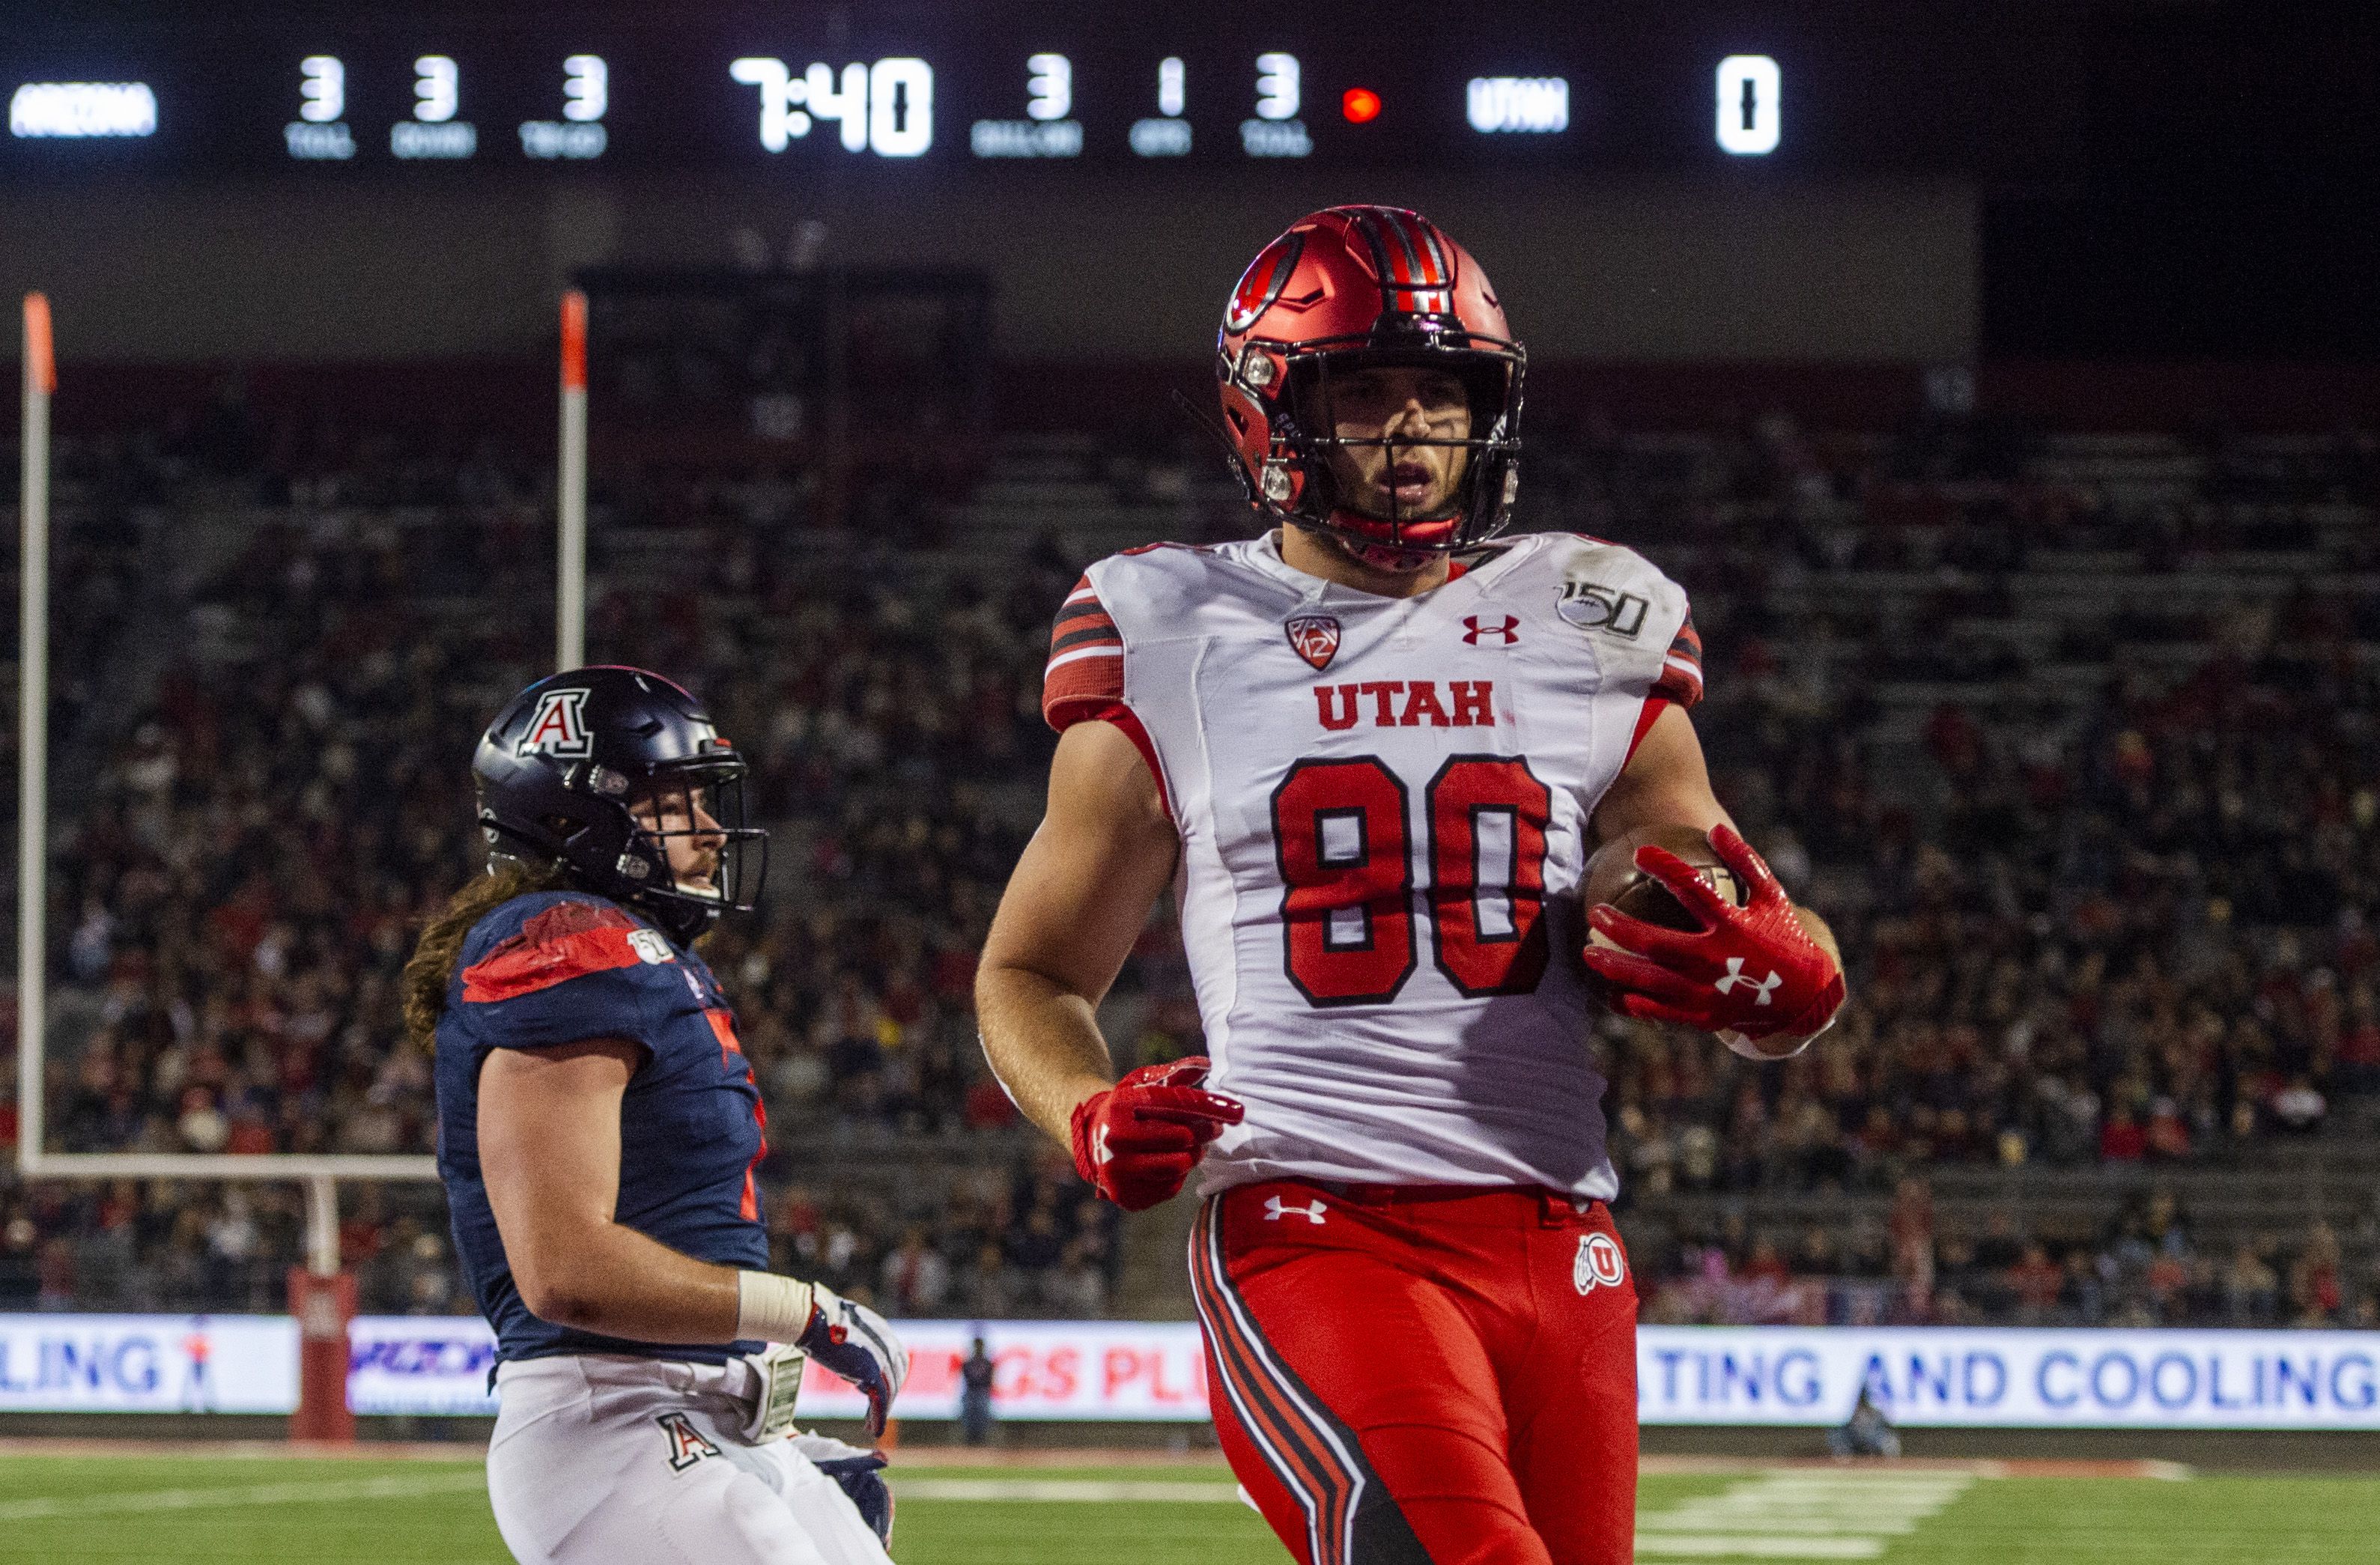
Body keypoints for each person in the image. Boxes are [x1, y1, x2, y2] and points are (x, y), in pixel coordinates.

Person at [976, 207, 1845, 1565]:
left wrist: (1783, 978)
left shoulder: (1591, 612)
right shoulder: (1170, 626)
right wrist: (1083, 1109)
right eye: (1365, 389)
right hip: (1316, 1220)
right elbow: (1026, 971)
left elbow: (1685, 869)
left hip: (1559, 1234)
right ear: (1268, 413)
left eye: (1442, 390)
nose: (1412, 427)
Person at [413, 666, 909, 1565]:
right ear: (580, 814)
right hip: (614, 1421)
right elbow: (565, 1268)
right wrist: (803, 1313)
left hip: (692, 1409)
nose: (713, 827)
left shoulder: (632, 950)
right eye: (677, 799)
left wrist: (759, 1406)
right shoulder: (564, 943)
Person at [959, 1334, 996, 1447]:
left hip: (982, 1393)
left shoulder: (988, 1364)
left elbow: (989, 1380)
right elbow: (967, 1378)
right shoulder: (968, 1363)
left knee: (983, 1417)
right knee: (969, 1418)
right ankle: (970, 1440)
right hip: (971, 1393)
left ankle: (982, 1440)